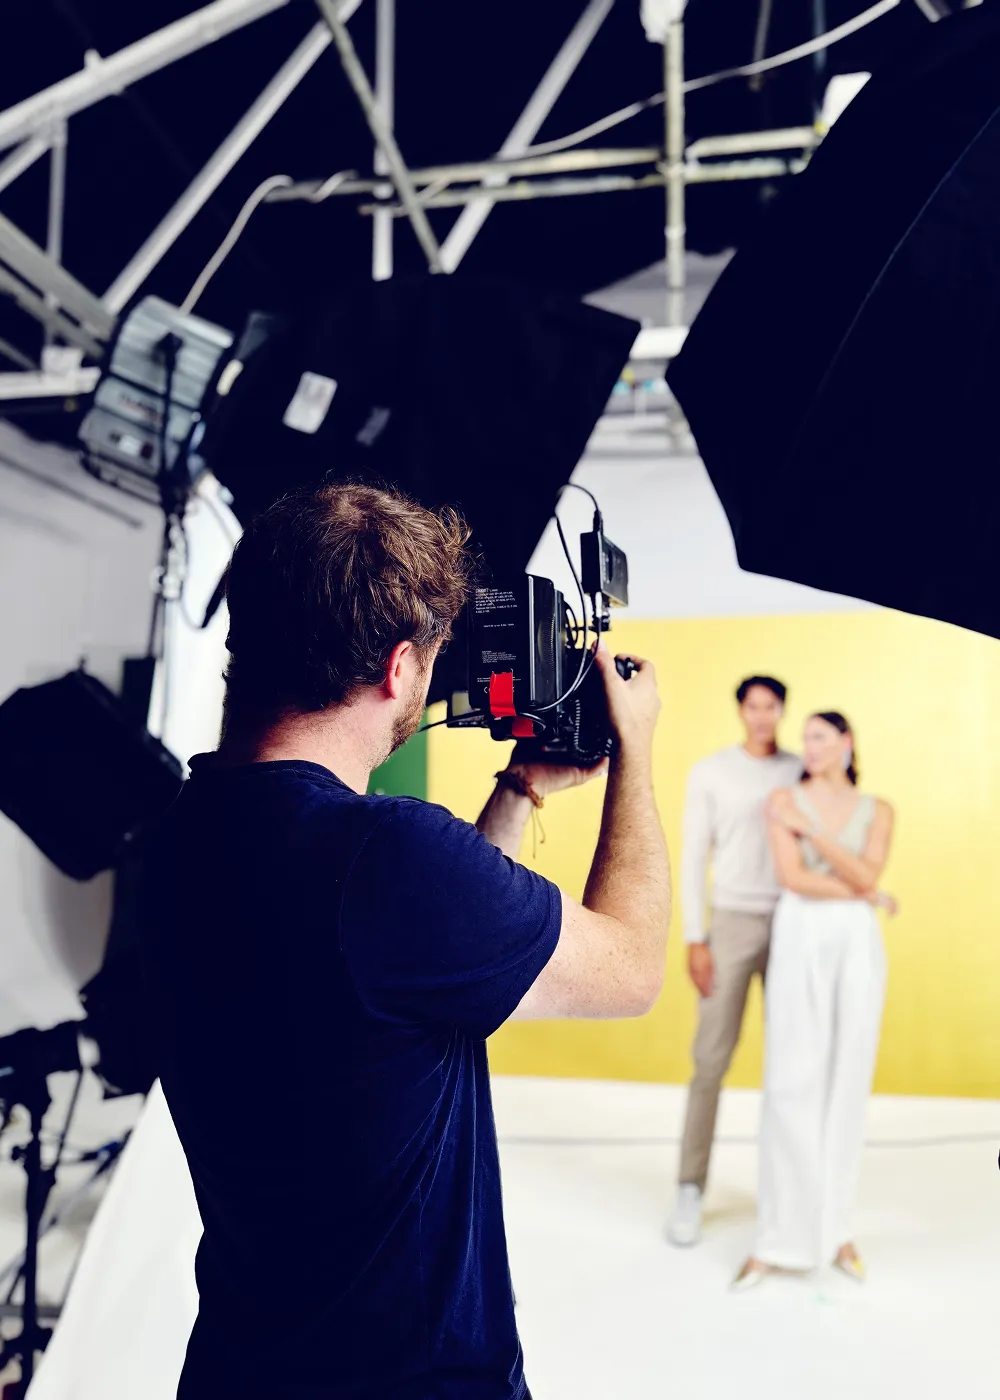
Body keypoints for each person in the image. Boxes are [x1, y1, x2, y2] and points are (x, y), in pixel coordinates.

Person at [141, 482, 670, 1400]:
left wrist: (519, 791)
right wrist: (641, 756)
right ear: (397, 669)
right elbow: (632, 967)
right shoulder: (383, 857)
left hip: (242, 1365)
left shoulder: (180, 835)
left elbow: (407, 973)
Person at [733, 711, 897, 1290]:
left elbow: (869, 867)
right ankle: (779, 1238)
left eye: (821, 737)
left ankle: (836, 1228)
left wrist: (818, 837)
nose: (810, 746)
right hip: (802, 931)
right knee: (790, 1081)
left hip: (856, 942)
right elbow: (795, 879)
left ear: (848, 742)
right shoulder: (783, 798)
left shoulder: (878, 809)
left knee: (847, 1078)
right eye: (806, 738)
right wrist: (868, 891)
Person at [667, 676, 800, 1248]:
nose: (763, 715)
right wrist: (697, 937)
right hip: (733, 922)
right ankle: (690, 1187)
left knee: (793, 1060)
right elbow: (695, 855)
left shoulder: (801, 770)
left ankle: (786, 1188)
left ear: (782, 711)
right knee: (711, 1059)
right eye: (754, 706)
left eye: (772, 706)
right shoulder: (712, 771)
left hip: (797, 920)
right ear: (742, 710)